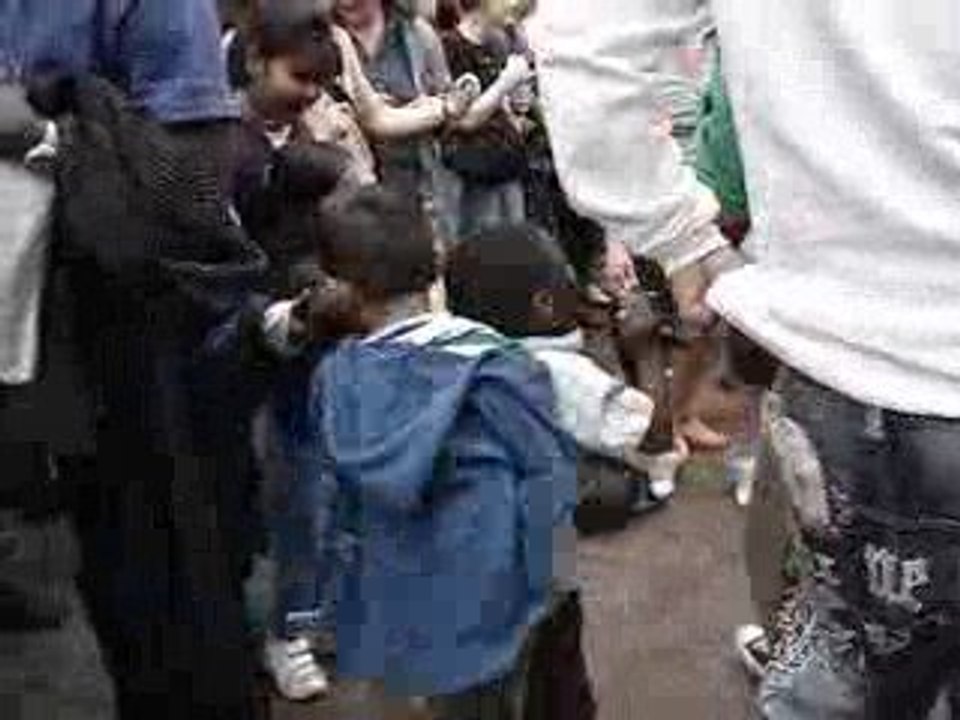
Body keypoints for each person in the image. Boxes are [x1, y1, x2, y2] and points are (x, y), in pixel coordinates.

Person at [533, 1, 960, 717]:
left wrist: (676, 235)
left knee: (853, 682)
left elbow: (585, 39)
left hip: (874, 369)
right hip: (878, 375)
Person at [270, 185, 589, 717]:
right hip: (493, 589)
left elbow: (330, 502)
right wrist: (546, 588)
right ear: (435, 258)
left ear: (341, 286)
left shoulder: (336, 376)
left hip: (396, 601)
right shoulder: (500, 366)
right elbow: (547, 482)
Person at [446, 224, 688, 505]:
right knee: (620, 482)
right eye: (568, 274)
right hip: (560, 492)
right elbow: (655, 438)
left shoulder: (472, 351)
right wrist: (647, 350)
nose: (579, 282)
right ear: (545, 303)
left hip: (496, 476)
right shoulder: (559, 372)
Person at [334, 0, 532, 242]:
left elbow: (453, 113)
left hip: (421, 187)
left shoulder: (418, 35)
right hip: (353, 194)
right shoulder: (328, 37)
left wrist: (433, 107)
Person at [440, 0, 531, 236]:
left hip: (507, 166)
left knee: (517, 243)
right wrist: (505, 82)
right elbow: (464, 119)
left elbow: (501, 106)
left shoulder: (497, 43)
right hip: (475, 172)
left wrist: (516, 104)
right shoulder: (450, 46)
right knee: (487, 247)